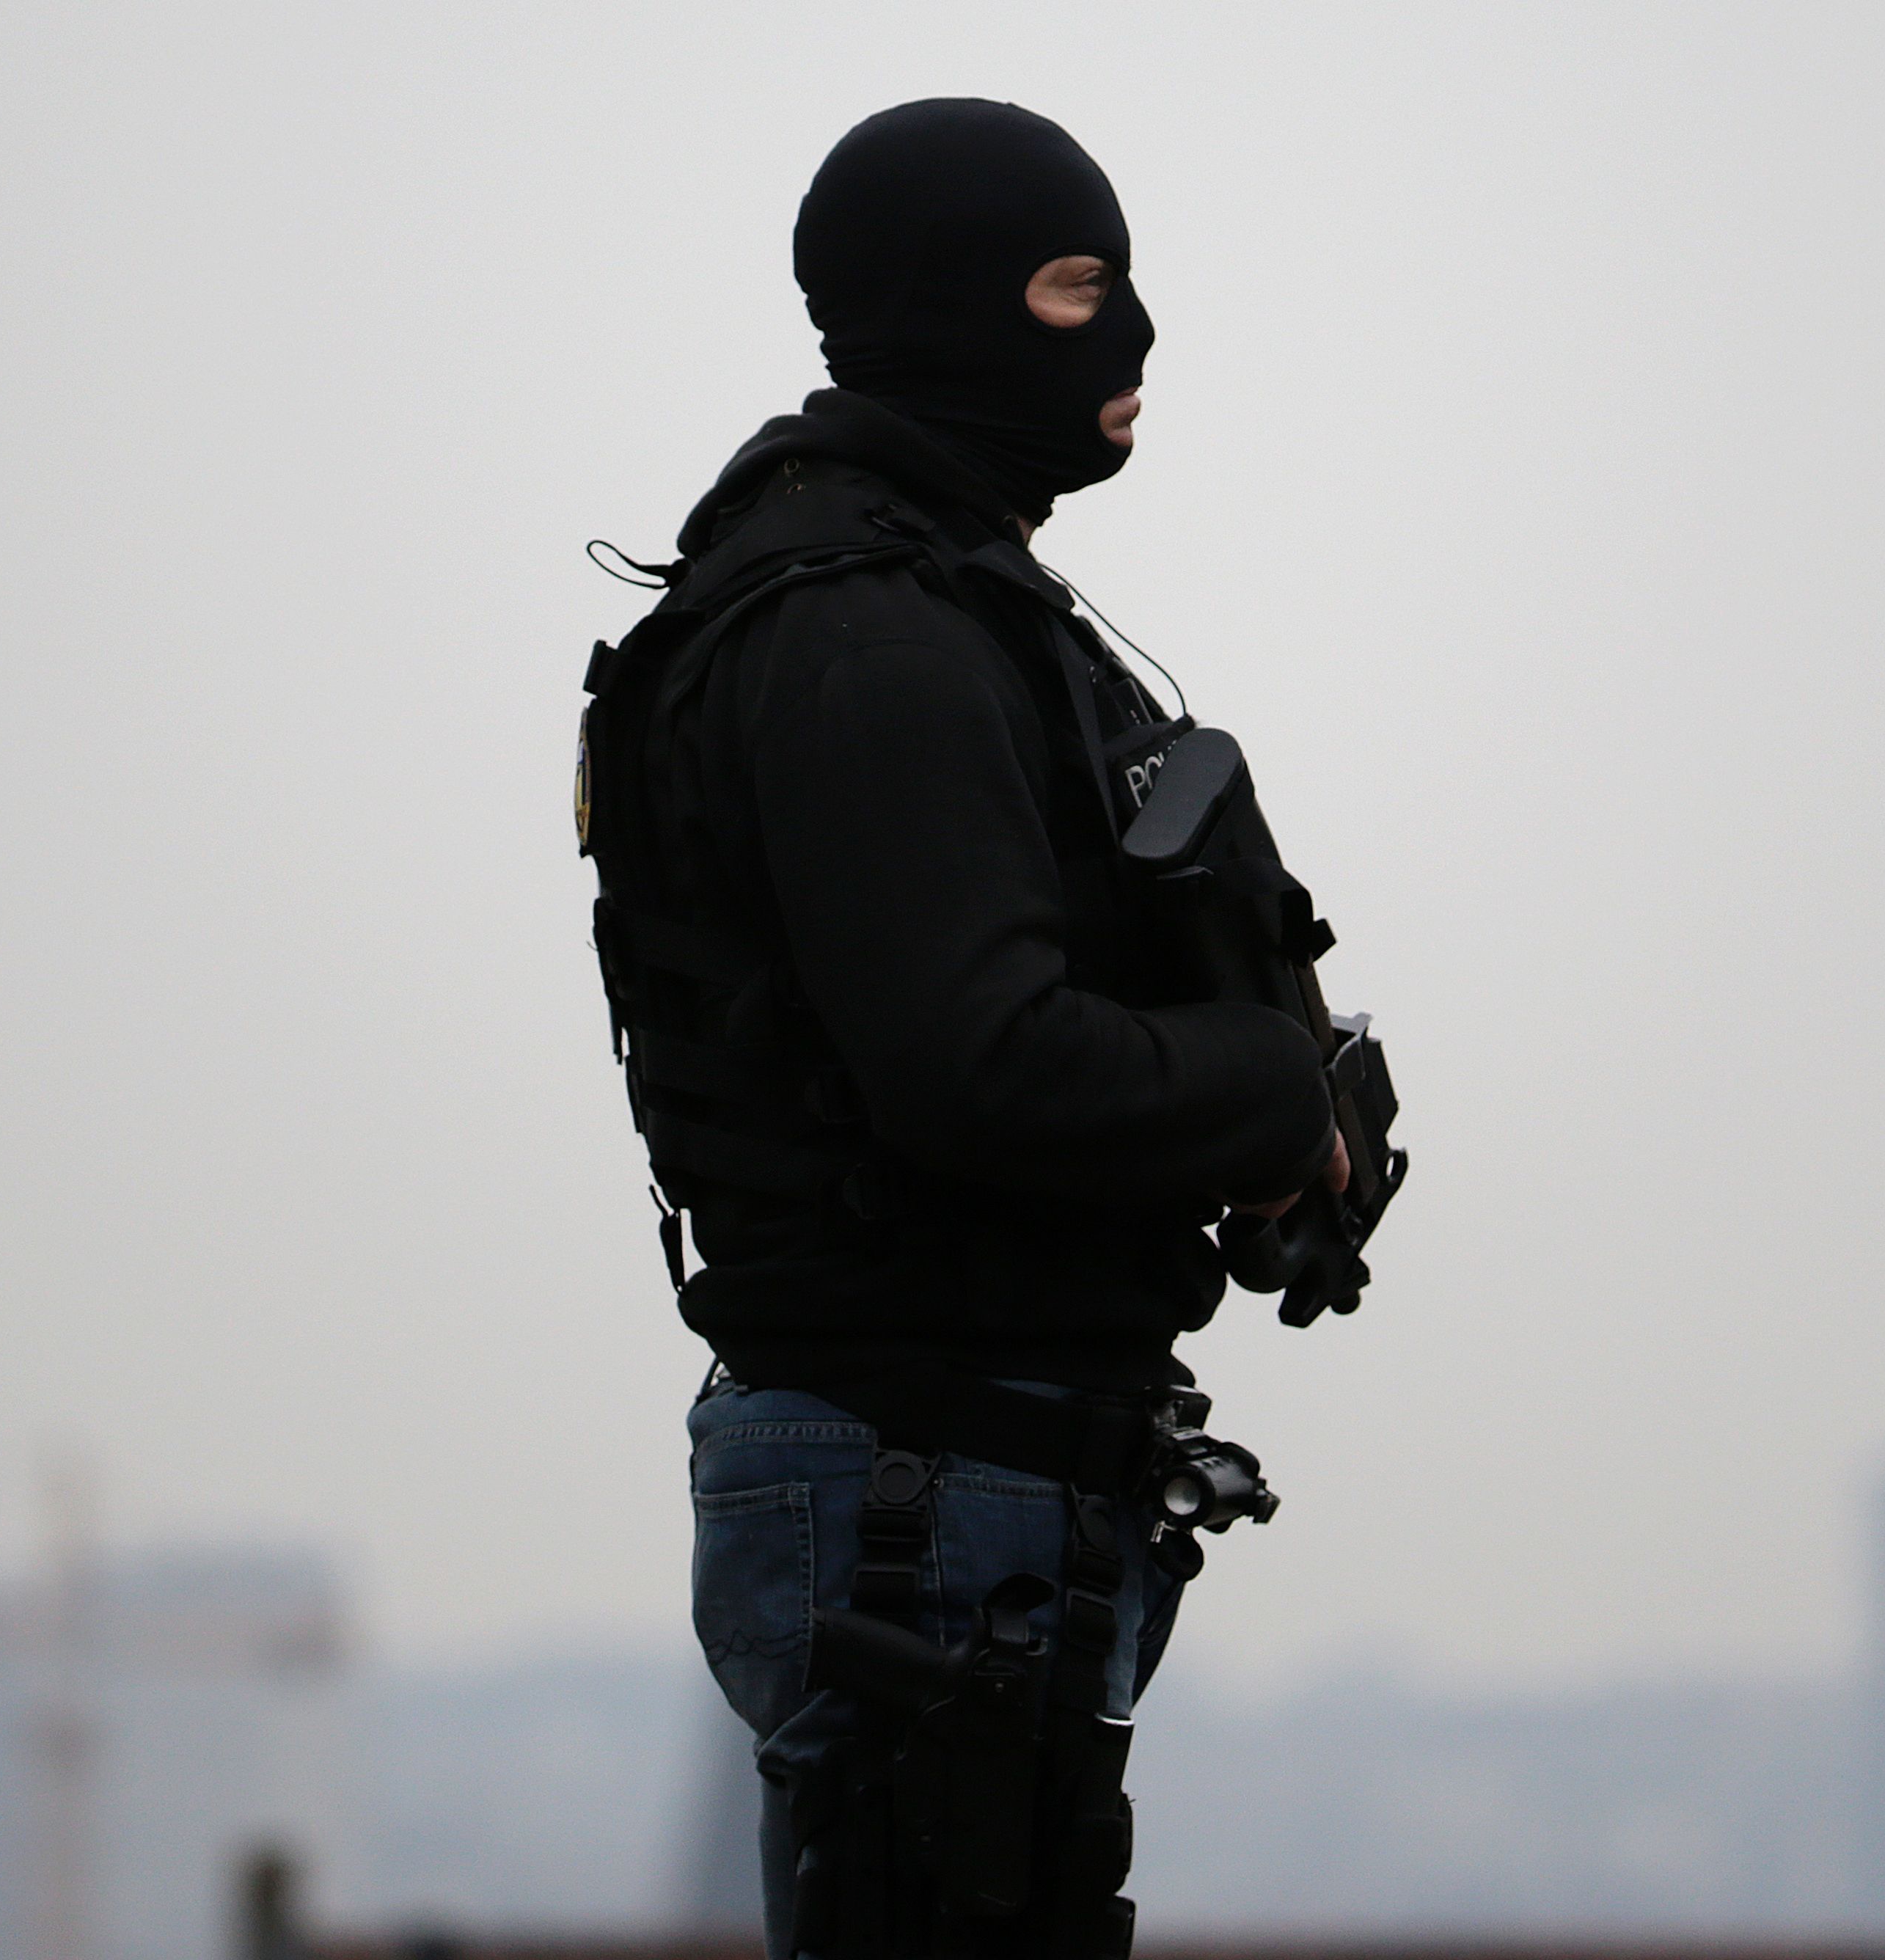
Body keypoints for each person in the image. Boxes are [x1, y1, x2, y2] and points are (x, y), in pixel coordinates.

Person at [575, 99, 1355, 1958]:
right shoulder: (871, 636)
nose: (1135, 339)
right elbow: (978, 1066)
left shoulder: (911, 601)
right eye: (1079, 286)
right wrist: (1270, 1091)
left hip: (957, 1481)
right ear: (946, 311)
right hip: (926, 1493)